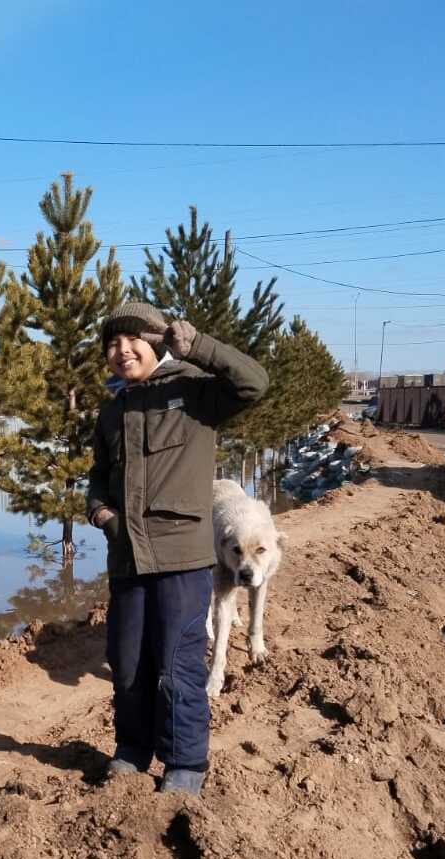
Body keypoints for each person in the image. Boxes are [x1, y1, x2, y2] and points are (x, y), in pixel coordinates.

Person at [86, 302, 269, 795]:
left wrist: (200, 346)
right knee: (127, 662)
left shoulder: (193, 390)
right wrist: (101, 512)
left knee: (176, 662)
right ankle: (131, 748)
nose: (122, 352)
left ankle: (185, 761)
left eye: (133, 341)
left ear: (157, 341)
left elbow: (255, 383)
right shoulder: (111, 409)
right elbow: (99, 477)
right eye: (112, 345)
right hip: (127, 557)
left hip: (180, 556)